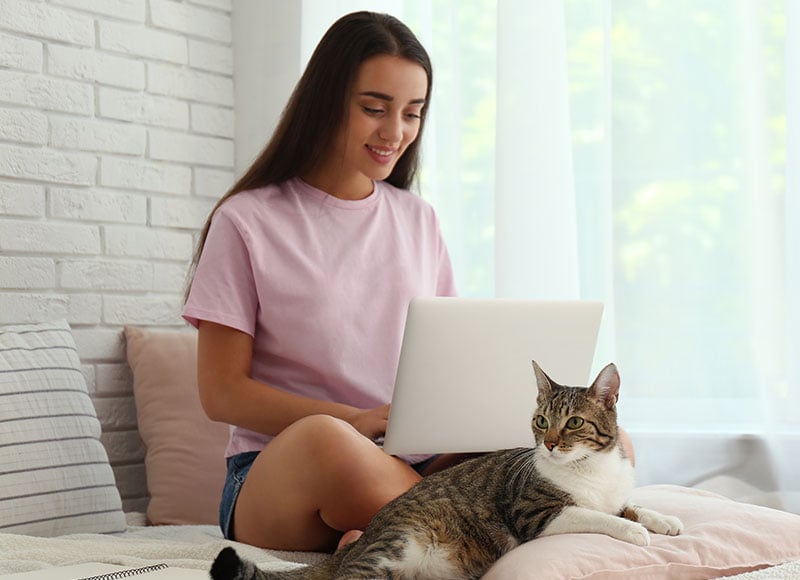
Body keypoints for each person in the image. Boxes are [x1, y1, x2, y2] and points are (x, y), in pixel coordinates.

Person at [182, 11, 456, 553]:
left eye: (412, 113)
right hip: (279, 474)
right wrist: (352, 420)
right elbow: (221, 393)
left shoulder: (419, 219)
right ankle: (452, 530)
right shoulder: (247, 220)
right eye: (374, 109)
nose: (395, 132)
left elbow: (444, 360)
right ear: (327, 99)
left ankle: (383, 539)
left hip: (404, 463)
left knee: (588, 442)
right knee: (329, 442)